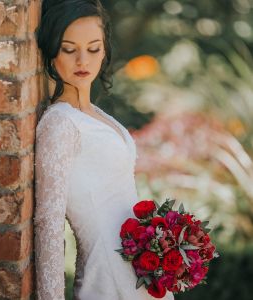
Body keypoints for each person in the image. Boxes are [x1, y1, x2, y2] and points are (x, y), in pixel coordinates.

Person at [34, 0, 175, 299]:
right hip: (107, 277)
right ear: (51, 50)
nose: (82, 60)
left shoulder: (95, 114)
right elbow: (48, 224)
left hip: (142, 271)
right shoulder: (60, 123)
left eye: (93, 48)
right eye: (69, 49)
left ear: (105, 50)